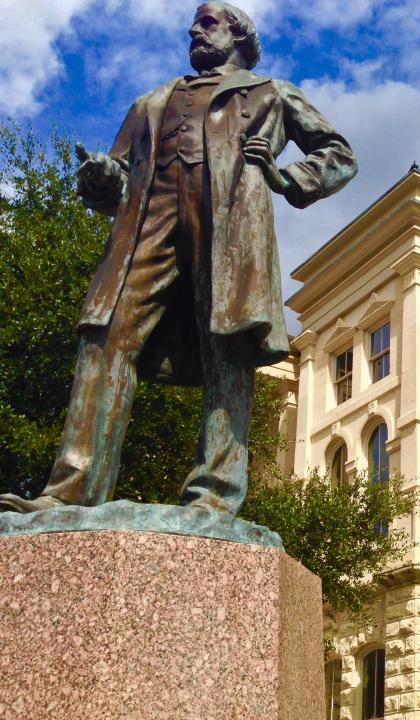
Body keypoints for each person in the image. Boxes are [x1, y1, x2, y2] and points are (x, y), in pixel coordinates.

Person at [0, 2, 357, 515]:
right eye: (194, 22)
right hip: (148, 226)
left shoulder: (271, 93)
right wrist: (103, 178)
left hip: (231, 226)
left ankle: (213, 496)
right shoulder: (152, 101)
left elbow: (339, 154)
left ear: (239, 36)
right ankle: (70, 491)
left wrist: (288, 178)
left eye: (208, 22)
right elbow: (116, 182)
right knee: (105, 335)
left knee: (228, 348)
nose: (194, 29)